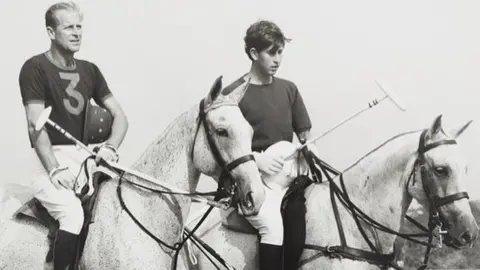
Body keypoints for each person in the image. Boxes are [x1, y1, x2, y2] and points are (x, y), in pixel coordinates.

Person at [17, 2, 129, 269]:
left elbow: (121, 118)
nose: (77, 32)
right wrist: (54, 169)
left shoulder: (90, 70)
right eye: (69, 27)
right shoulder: (34, 68)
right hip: (48, 162)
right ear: (51, 32)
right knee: (72, 215)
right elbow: (36, 126)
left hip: (87, 159)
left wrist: (110, 147)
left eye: (79, 26)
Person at [221, 20, 317, 270]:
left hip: (289, 178)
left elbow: (305, 136)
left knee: (307, 212)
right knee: (272, 228)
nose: (277, 59)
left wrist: (310, 150)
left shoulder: (289, 89)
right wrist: (256, 161)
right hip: (252, 183)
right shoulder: (232, 94)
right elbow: (222, 146)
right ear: (254, 53)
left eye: (280, 52)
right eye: (271, 52)